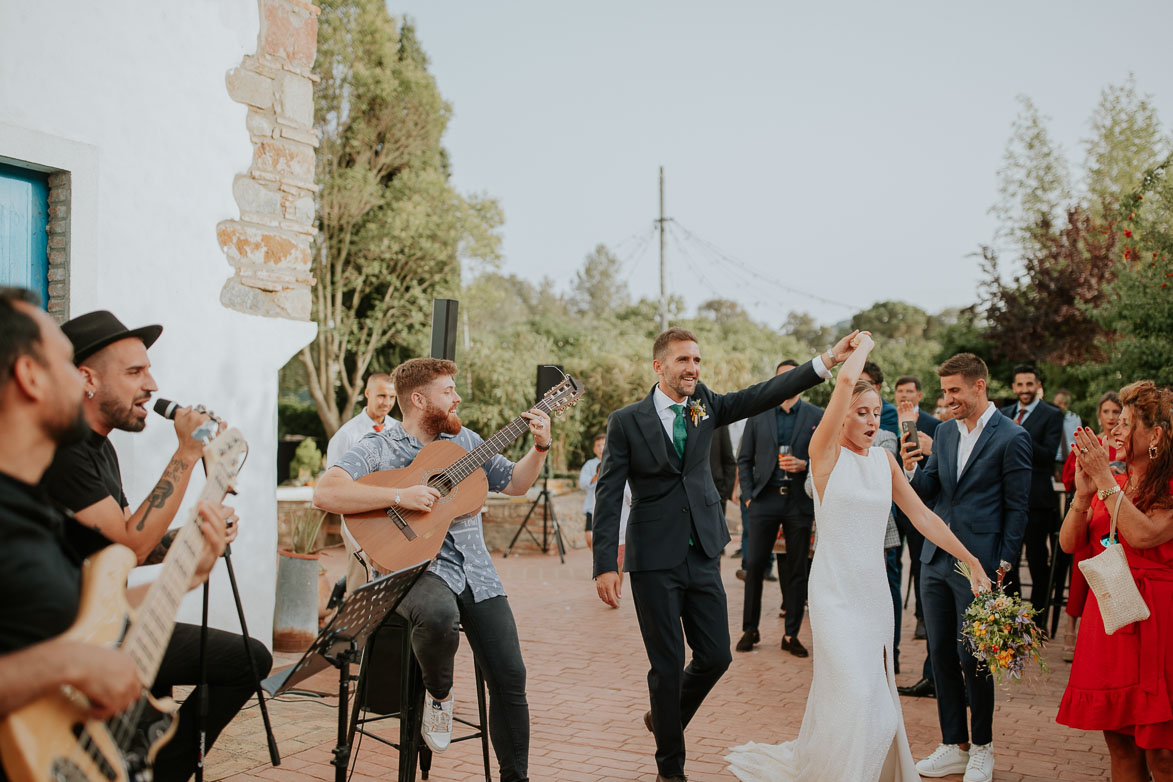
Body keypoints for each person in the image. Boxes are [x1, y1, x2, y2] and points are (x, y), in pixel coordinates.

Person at [592, 326, 861, 782]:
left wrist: (827, 360)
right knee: (666, 664)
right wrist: (605, 564)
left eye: (697, 360)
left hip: (703, 551)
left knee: (716, 655)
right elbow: (609, 492)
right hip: (653, 557)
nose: (693, 368)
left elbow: (764, 392)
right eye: (683, 361)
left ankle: (665, 718)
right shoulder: (626, 421)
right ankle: (670, 770)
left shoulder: (707, 405)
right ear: (659, 366)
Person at [725, 332, 990, 782]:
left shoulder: (883, 463)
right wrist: (861, 346)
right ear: (840, 418)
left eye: (875, 413)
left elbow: (925, 518)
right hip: (833, 593)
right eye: (860, 413)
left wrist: (973, 562)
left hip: (873, 597)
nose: (870, 421)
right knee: (855, 693)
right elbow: (844, 384)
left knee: (871, 694)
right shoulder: (824, 457)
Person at [0, 288, 232, 782]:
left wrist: (186, 570)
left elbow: (97, 606)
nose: (151, 385)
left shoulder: (37, 508)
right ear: (30, 377)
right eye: (66, 362)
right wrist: (65, 664)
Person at [38, 308, 271, 780]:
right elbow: (131, 546)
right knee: (249, 659)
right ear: (86, 379)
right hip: (80, 633)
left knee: (160, 692)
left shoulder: (99, 446)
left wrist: (193, 535)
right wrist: (187, 451)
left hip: (109, 615)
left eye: (148, 369)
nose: (153, 384)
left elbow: (127, 539)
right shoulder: (65, 450)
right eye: (135, 372)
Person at [313, 357, 549, 780]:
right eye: (448, 392)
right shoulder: (379, 447)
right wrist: (400, 495)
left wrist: (540, 448)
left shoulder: (468, 443)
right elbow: (326, 493)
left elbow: (516, 483)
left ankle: (517, 777)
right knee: (440, 616)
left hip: (476, 571)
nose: (457, 398)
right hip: (417, 569)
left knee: (511, 676)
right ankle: (439, 695)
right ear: (419, 400)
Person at [902, 353, 1032, 782]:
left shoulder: (1013, 437)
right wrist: (910, 468)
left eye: (954, 390)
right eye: (944, 391)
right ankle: (952, 744)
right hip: (935, 560)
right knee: (939, 653)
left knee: (973, 655)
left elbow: (1017, 510)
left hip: (980, 565)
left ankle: (982, 747)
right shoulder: (943, 432)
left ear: (979, 386)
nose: (947, 399)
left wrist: (1003, 566)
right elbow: (929, 490)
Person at [1057, 380, 1173, 782]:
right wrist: (1083, 495)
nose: (1115, 431)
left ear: (1155, 435)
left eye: (1126, 423)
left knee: (1163, 753)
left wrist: (1105, 480)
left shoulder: (1168, 487)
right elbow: (1070, 543)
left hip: (1160, 624)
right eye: (1115, 422)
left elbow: (1145, 535)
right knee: (1120, 743)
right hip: (1111, 620)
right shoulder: (1113, 487)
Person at [735, 360, 823, 656]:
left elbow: (827, 457)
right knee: (755, 566)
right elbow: (744, 459)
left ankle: (791, 634)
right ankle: (750, 629)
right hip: (764, 500)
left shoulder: (816, 416)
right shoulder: (758, 414)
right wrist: (748, 497)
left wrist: (805, 465)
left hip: (799, 502)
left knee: (797, 569)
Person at [1058, 391, 1122, 661]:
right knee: (1081, 559)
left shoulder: (1126, 444)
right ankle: (1072, 625)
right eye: (1106, 412)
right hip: (1091, 505)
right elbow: (1069, 478)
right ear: (1099, 414)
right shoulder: (1093, 442)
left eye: (1116, 412)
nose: (1111, 417)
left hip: (1118, 509)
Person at [998, 365, 1064, 614]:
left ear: (1037, 386)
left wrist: (1019, 433)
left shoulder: (1052, 414)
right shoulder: (1003, 413)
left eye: (1029, 384)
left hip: (1037, 500)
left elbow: (1048, 457)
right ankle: (1014, 615)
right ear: (1014, 387)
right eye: (1020, 384)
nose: (1024, 389)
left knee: (1038, 561)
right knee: (1008, 560)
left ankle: (1038, 618)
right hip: (1006, 499)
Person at [893, 375, 941, 644]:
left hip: (919, 503)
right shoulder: (886, 422)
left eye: (910, 391)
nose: (904, 396)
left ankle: (923, 618)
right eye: (900, 392)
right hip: (892, 507)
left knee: (919, 562)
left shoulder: (934, 426)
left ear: (919, 396)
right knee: (893, 561)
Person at [325, 372, 397, 469]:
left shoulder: (400, 430)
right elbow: (333, 480)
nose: (387, 403)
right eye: (381, 396)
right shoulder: (346, 435)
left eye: (392, 397)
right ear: (367, 393)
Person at [579, 431, 606, 550]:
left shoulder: (615, 462)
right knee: (589, 538)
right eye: (598, 445)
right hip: (592, 507)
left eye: (603, 444)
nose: (601, 448)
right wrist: (595, 477)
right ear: (594, 449)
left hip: (610, 507)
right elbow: (582, 482)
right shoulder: (589, 465)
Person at [861, 360, 899, 435]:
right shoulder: (847, 406)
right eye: (859, 382)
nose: (862, 386)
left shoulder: (889, 411)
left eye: (868, 383)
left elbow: (884, 440)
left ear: (878, 386)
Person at [1053, 389, 1082, 471]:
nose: (1062, 406)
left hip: (1070, 461)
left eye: (1065, 404)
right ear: (1054, 402)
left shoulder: (1075, 418)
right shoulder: (1049, 418)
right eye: (1059, 403)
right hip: (1054, 461)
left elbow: (1078, 441)